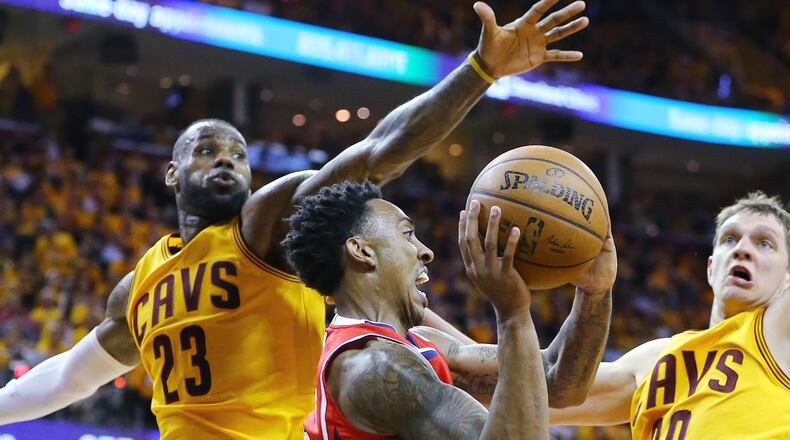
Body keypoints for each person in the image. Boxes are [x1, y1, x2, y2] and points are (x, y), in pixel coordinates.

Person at [0, 1, 591, 438]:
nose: (227, 159)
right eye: (206, 150)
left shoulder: (263, 228)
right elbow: (73, 377)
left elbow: (380, 150)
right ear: (172, 174)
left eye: (237, 153)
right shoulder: (141, 283)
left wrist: (480, 71)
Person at [282, 181, 615, 439]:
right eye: (408, 235)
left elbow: (557, 382)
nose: (425, 252)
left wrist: (594, 292)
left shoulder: (419, 343)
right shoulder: (375, 368)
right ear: (362, 251)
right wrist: (512, 315)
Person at [549, 191, 790, 439]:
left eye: (764, 243)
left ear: (787, 277)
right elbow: (541, 391)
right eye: (729, 239)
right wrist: (515, 315)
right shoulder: (655, 358)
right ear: (710, 268)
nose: (742, 249)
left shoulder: (778, 338)